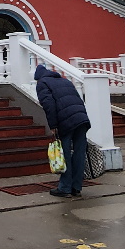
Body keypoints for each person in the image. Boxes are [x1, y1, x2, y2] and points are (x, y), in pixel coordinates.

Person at [35, 64, 91, 198]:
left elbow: (49, 104)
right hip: (81, 118)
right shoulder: (65, 81)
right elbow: (77, 100)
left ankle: (65, 188)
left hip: (66, 121)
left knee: (64, 154)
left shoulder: (42, 83)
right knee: (79, 153)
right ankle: (76, 187)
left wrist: (53, 125)